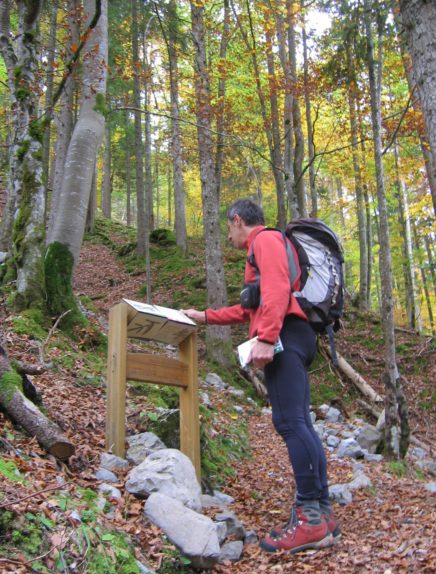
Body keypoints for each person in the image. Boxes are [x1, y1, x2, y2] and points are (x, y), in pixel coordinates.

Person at [182, 198, 340, 554]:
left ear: (238, 220)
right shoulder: (269, 247)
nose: (229, 235)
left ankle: (310, 518)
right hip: (296, 334)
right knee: (299, 423)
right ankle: (322, 514)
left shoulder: (266, 241)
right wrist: (204, 316)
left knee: (290, 422)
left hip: (285, 335)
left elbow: (277, 291)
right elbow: (250, 308)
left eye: (228, 227)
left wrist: (267, 339)